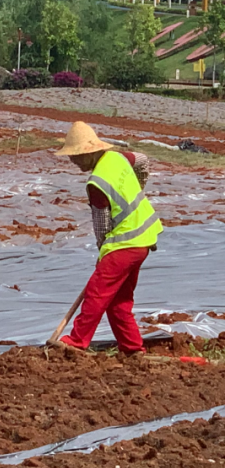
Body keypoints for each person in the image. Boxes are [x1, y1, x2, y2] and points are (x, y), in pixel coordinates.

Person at [52, 122, 161, 355]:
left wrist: (105, 255)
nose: (73, 161)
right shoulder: (118, 158)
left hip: (126, 243)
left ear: (90, 153)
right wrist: (139, 185)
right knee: (119, 302)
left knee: (97, 293)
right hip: (143, 239)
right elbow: (142, 160)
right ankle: (132, 348)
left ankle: (77, 340)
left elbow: (102, 229)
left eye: (76, 156)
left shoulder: (97, 184)